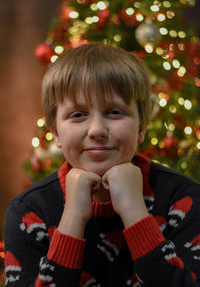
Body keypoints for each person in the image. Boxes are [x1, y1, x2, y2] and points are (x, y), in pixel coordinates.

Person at [4, 43, 200, 287]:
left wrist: (134, 212)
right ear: (55, 131)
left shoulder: (185, 200)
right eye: (78, 115)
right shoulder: (29, 213)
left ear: (141, 127)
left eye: (114, 112)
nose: (97, 130)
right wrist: (73, 219)